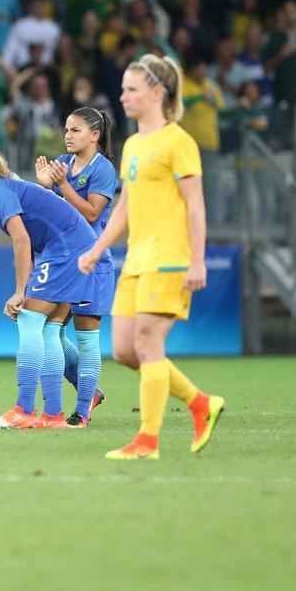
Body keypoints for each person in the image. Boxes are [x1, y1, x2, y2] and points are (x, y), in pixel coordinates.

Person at [78, 54, 226, 460]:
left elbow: (195, 204)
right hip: (137, 259)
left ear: (157, 93)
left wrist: (198, 260)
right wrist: (96, 249)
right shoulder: (133, 145)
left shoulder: (178, 142)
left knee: (147, 340)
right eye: (123, 89)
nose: (123, 97)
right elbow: (125, 206)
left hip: (171, 257)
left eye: (131, 90)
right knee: (125, 350)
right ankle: (200, 403)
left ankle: (147, 440)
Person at [0, 142, 97, 429]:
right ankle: (53, 414)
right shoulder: (4, 187)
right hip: (77, 247)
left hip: (66, 249)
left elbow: (21, 239)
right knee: (50, 328)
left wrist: (21, 291)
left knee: (30, 320)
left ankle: (24, 410)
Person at [33, 107, 115, 426]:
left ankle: (82, 410)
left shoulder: (103, 169)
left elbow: (92, 213)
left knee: (86, 335)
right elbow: (49, 211)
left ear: (94, 135)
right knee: (44, 329)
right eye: (66, 129)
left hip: (92, 261)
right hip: (63, 261)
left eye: (75, 130)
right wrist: (44, 186)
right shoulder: (62, 164)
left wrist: (63, 186)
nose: (67, 135)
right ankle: (88, 391)